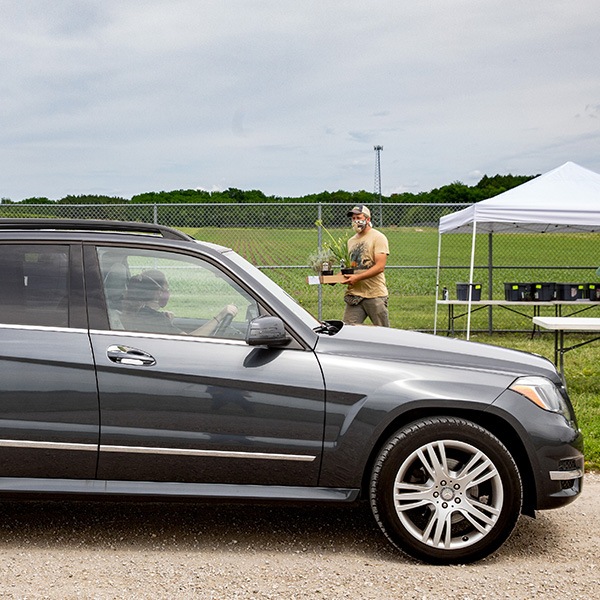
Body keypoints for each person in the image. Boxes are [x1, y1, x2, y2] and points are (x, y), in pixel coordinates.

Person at [121, 270, 238, 336]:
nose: (168, 292)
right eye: (166, 288)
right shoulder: (152, 318)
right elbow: (190, 341)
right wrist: (219, 316)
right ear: (158, 292)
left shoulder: (142, 314)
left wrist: (168, 325)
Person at [341, 205, 390, 327]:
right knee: (347, 331)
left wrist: (357, 278)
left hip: (375, 294)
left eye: (358, 217)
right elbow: (351, 266)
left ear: (367, 219)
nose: (355, 221)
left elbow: (380, 267)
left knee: (383, 333)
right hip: (355, 295)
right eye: (353, 218)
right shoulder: (351, 241)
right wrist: (336, 278)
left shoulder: (378, 237)